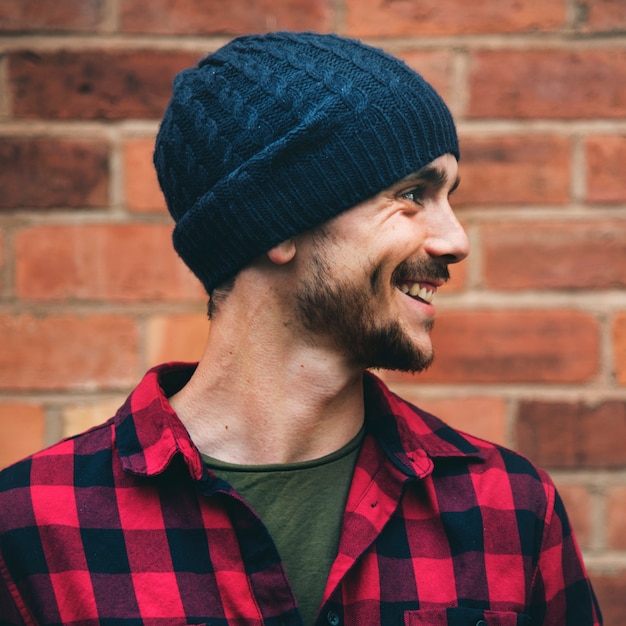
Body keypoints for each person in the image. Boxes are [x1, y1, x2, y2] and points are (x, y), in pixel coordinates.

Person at [0, 31, 601, 626]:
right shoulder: (34, 530)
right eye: (413, 194)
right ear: (274, 227)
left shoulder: (508, 508)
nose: (456, 241)